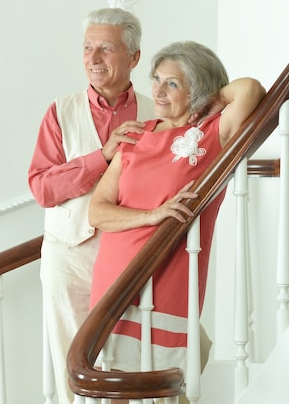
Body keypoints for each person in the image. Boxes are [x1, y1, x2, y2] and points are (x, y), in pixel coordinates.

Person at [88, 41, 265, 383]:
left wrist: (211, 100)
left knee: (161, 384)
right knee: (110, 385)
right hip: (113, 275)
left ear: (198, 92)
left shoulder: (214, 134)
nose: (157, 90)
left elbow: (251, 89)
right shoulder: (136, 136)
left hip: (168, 279)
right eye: (156, 79)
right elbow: (97, 212)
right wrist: (151, 216)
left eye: (172, 83)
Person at [27, 7, 155, 404]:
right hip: (68, 254)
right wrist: (102, 156)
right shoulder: (60, 112)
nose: (93, 59)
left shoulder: (157, 112)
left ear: (133, 57)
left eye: (106, 49)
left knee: (133, 359)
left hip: (132, 256)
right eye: (87, 48)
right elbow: (42, 187)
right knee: (72, 361)